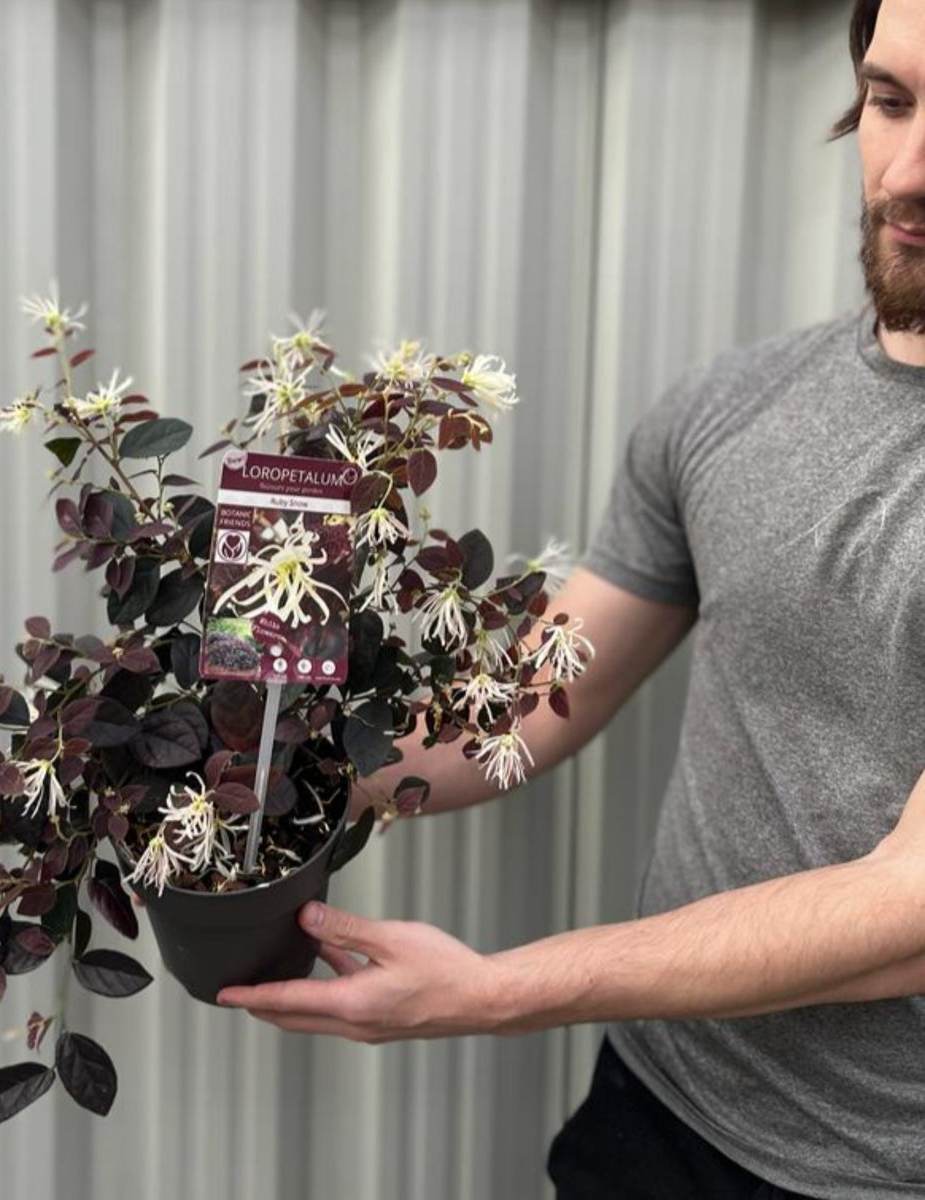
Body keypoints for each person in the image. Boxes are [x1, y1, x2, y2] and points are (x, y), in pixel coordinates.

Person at [214, 1, 925, 1194]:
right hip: (654, 1113)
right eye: (892, 103)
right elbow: (532, 707)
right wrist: (242, 754)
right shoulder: (733, 404)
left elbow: (909, 909)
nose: (908, 172)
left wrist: (496, 992)